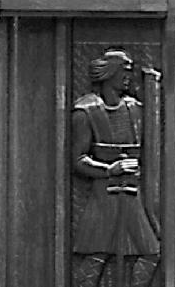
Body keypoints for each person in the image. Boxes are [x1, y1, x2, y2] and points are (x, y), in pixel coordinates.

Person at [71, 49, 160, 287]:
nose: (128, 77)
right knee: (98, 254)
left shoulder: (134, 108)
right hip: (104, 197)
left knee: (151, 252)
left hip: (131, 194)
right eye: (124, 71)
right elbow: (78, 160)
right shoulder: (86, 111)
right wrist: (110, 169)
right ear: (109, 73)